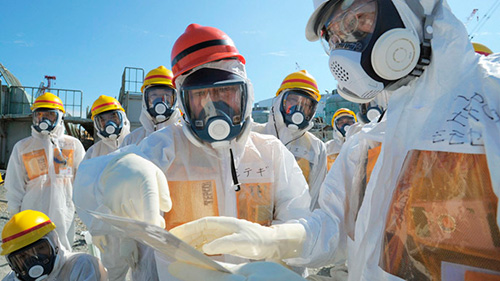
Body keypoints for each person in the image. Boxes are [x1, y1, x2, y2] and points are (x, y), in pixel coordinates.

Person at [168, 0, 500, 280]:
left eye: (356, 20)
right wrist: (274, 240)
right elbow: (331, 230)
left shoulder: (493, 102)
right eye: (336, 35)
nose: (346, 47)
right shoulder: (367, 144)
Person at [73, 23, 311, 280]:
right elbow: (87, 192)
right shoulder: (165, 148)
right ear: (184, 102)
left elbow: (299, 226)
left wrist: (285, 265)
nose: (214, 107)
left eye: (225, 92)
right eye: (201, 97)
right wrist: (111, 174)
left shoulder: (271, 154)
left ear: (246, 93)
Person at [4, 92, 85, 252]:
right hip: (31, 212)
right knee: (34, 255)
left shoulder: (72, 145)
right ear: (33, 117)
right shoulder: (23, 147)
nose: (44, 120)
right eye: (40, 115)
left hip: (64, 211)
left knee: (63, 255)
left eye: (50, 115)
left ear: (60, 117)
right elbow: (14, 185)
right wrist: (16, 216)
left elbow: (83, 181)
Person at [253, 70, 327, 210]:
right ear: (281, 101)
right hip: (256, 225)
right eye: (293, 100)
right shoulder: (255, 136)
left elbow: (316, 198)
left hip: (294, 227)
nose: (298, 108)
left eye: (306, 105)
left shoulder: (316, 148)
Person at [1, 210, 107, 281]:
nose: (34, 260)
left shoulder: (81, 265)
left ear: (54, 243)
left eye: (40, 248)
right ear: (12, 265)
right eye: (23, 257)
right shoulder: (11, 279)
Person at [121, 66, 181, 146]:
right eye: (154, 96)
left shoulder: (185, 137)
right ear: (145, 100)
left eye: (166, 95)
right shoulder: (131, 140)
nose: (160, 101)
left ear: (175, 99)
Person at [83, 95, 130, 160]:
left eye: (113, 117)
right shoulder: (93, 152)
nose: (109, 123)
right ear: (97, 125)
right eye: (103, 120)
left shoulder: (135, 142)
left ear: (122, 117)